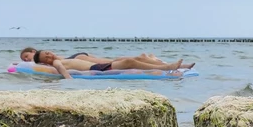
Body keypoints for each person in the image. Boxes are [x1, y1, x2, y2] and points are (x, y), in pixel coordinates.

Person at [31, 49, 190, 79]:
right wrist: (68, 80)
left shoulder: (60, 58)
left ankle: (176, 66)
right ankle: (167, 67)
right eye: (45, 57)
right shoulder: (57, 62)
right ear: (43, 62)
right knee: (130, 61)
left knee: (136, 60)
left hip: (98, 66)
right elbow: (59, 68)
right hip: (95, 69)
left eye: (48, 52)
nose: (49, 55)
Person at [20, 47, 171, 64]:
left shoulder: (40, 57)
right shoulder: (44, 55)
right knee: (111, 60)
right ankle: (146, 57)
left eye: (26, 56)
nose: (26, 60)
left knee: (112, 61)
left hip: (77, 58)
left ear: (33, 52)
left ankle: (144, 58)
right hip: (77, 56)